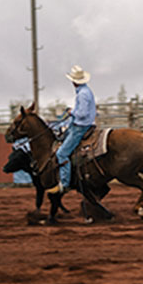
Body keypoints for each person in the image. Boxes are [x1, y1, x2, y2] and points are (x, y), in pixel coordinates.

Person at [52, 65, 97, 193]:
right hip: (81, 124)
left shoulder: (82, 94)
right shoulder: (85, 91)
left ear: (74, 82)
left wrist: (72, 112)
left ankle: (65, 183)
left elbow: (81, 114)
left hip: (80, 126)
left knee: (62, 153)